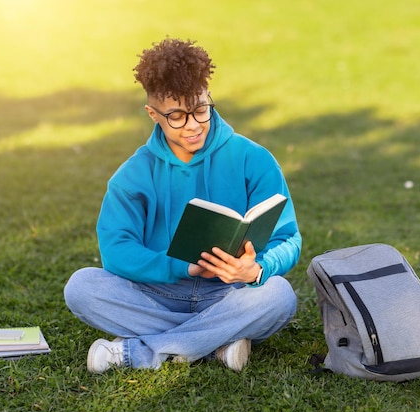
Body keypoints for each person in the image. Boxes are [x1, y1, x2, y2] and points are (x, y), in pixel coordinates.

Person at [64, 38, 302, 373]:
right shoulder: (133, 175)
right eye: (176, 116)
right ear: (153, 114)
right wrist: (183, 268)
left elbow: (289, 238)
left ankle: (140, 352)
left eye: (201, 109)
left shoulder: (254, 159)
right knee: (82, 287)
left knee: (278, 295)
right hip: (157, 294)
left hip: (230, 293)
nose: (192, 125)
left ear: (209, 99)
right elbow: (116, 251)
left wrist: (256, 270)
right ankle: (215, 343)